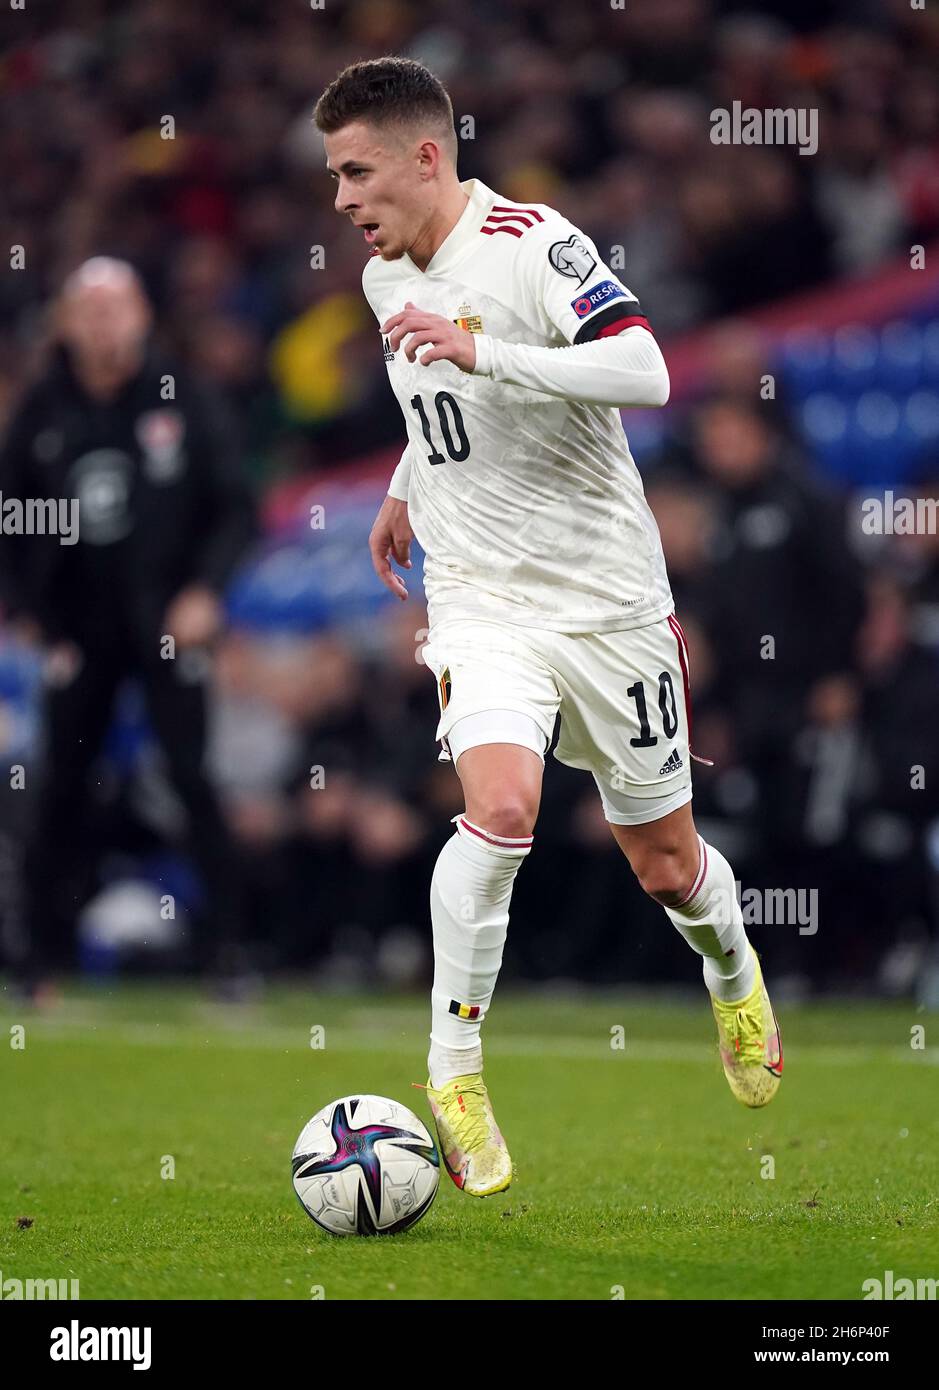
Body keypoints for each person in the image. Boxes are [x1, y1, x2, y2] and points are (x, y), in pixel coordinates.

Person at [314, 57, 783, 1198]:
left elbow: (648, 368)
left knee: (667, 868)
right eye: (333, 176)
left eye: (357, 171)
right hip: (481, 596)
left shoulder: (533, 241)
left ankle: (731, 967)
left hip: (609, 599)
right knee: (503, 807)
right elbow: (437, 403)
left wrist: (485, 348)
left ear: (429, 157)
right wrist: (403, 486)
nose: (341, 200)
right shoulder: (384, 281)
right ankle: (454, 1066)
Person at [0, 257, 255, 998]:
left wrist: (206, 591)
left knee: (190, 779)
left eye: (117, 307)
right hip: (79, 630)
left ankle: (229, 954)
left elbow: (234, 504)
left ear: (142, 316)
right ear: (68, 323)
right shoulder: (45, 409)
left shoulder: (178, 396)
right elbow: (12, 514)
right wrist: (34, 613)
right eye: (89, 308)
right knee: (62, 783)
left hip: (167, 621)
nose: (104, 322)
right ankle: (38, 960)